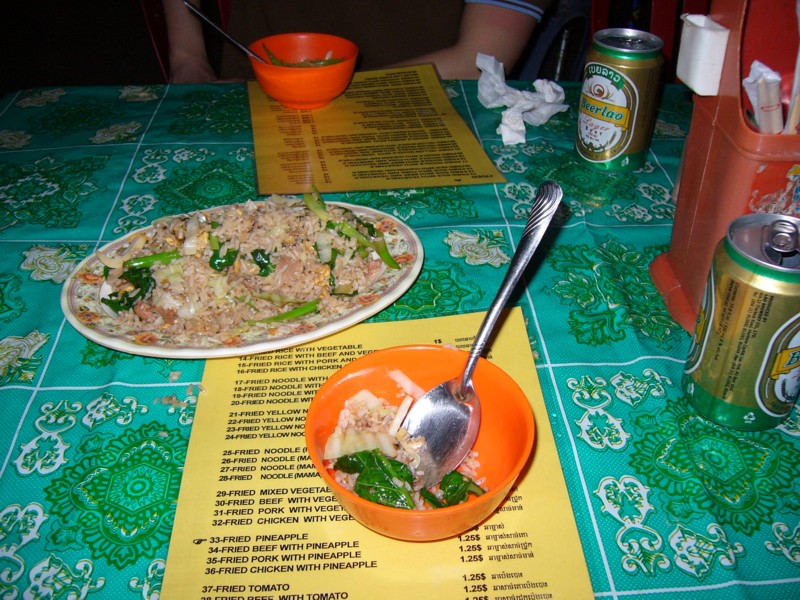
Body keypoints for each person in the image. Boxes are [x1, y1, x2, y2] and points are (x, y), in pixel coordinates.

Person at [164, 0, 553, 84]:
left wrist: (317, 88)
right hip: (250, 90)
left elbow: (479, 60)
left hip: (420, 110)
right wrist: (187, 58)